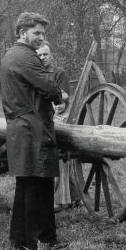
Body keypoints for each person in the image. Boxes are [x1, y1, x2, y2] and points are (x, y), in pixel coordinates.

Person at [0, 12, 68, 250]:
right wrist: (60, 96)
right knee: (40, 185)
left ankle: (21, 241)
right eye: (37, 33)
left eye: (43, 33)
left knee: (26, 185)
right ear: (22, 33)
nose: (41, 37)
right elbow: (48, 85)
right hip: (34, 127)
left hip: (21, 127)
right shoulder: (26, 57)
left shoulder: (11, 55)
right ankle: (41, 242)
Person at [36, 41, 80, 212]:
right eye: (39, 55)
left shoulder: (59, 73)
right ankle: (71, 196)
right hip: (41, 116)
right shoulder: (35, 73)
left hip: (58, 115)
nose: (42, 58)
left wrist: (60, 104)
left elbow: (64, 98)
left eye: (45, 54)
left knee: (58, 148)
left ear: (51, 55)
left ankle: (62, 198)